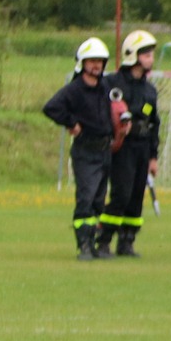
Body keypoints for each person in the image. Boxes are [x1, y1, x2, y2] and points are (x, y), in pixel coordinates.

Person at [43, 36, 120, 261]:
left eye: (100, 61)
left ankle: (94, 244)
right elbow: (51, 108)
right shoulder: (74, 90)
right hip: (86, 150)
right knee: (86, 198)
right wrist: (71, 123)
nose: (96, 65)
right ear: (82, 63)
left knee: (98, 200)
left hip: (104, 150)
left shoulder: (105, 87)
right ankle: (83, 244)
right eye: (92, 61)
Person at [97, 30, 160, 258]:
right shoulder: (111, 83)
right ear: (133, 55)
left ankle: (127, 242)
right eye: (146, 55)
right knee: (121, 194)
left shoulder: (150, 90)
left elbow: (154, 124)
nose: (151, 59)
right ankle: (103, 240)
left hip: (142, 147)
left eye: (151, 55)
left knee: (135, 197)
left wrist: (153, 156)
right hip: (122, 147)